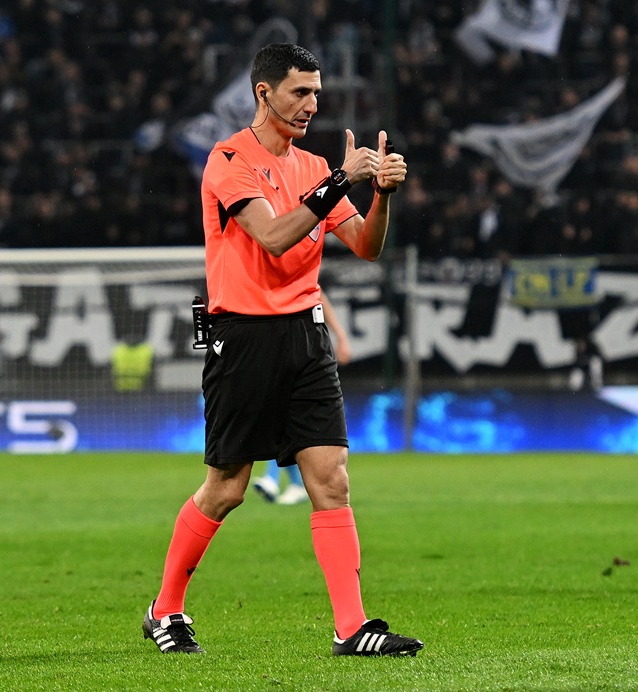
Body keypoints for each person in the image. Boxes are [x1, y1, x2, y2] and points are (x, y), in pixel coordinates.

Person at [142, 43, 423, 657]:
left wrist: (380, 195)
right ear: (263, 93)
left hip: (305, 331)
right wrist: (340, 182)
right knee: (227, 486)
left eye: (317, 92)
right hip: (240, 335)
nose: (312, 104)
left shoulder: (315, 166)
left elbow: (367, 247)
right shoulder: (228, 161)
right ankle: (165, 609)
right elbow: (271, 236)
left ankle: (351, 628)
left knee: (332, 478)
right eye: (300, 91)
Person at [252, 289, 352, 505]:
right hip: (275, 348)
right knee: (278, 421)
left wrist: (341, 336)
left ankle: (276, 479)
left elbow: (319, 295)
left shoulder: (292, 272)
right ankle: (294, 483)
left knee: (280, 418)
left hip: (303, 352)